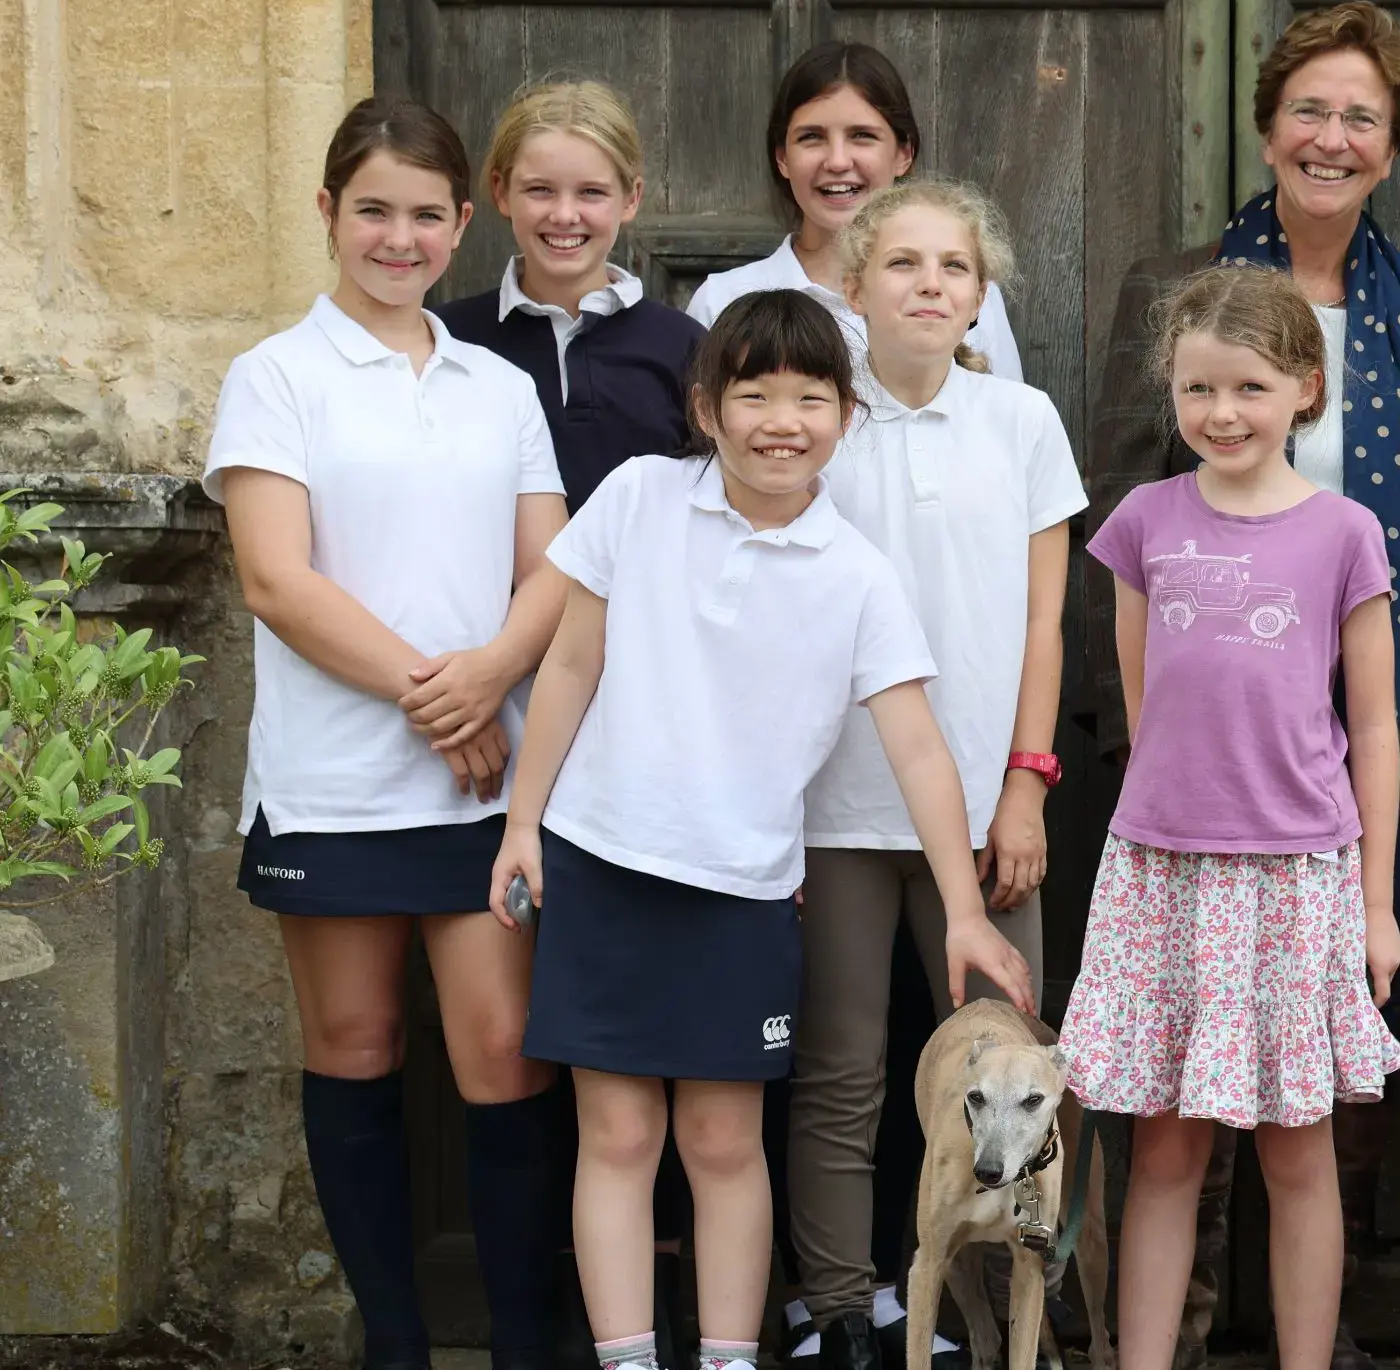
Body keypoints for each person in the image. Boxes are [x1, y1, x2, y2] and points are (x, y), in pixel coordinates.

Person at [494, 289, 1035, 1370]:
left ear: (847, 413)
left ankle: (732, 1356)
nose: (780, 419)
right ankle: (629, 1357)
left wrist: (965, 911)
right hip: (602, 863)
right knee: (619, 1136)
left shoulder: (857, 574)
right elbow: (568, 662)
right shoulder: (640, 498)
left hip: (742, 891)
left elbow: (919, 748)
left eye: (809, 396)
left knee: (722, 1140)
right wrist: (522, 826)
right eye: (753, 394)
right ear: (706, 406)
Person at [1077, 7, 1400, 1365]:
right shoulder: (1176, 288)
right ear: (1268, 129)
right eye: (1310, 110)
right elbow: (1123, 531)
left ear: (1389, 147)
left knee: (1318, 1106)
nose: (1331, 136)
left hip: (1337, 782)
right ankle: (1177, 1335)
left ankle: (1327, 1336)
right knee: (1168, 1122)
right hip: (1187, 796)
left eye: (1360, 116)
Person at [203, 95, 569, 1370]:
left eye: (425, 214)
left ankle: (526, 1341)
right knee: (356, 1047)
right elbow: (276, 581)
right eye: (373, 210)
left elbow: (551, 571)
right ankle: (396, 1344)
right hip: (338, 781)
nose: (398, 237)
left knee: (503, 1053)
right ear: (327, 213)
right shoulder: (275, 376)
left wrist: (489, 685)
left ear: (462, 224)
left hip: (485, 782)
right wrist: (440, 696)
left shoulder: (499, 385)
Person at [1062, 261, 1400, 1370]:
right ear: (1171, 389)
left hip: (1297, 873)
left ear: (1306, 387)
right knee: (1162, 1152)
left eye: (1249, 388)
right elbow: (1142, 698)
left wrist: (1376, 907)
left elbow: (1375, 728)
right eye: (1199, 389)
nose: (1222, 413)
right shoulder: (1142, 520)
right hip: (1160, 871)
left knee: (1296, 1153)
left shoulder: (1344, 532)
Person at [787, 178, 1084, 1370]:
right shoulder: (818, 424)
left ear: (980, 293)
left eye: (951, 268)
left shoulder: (1019, 420)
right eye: (899, 264)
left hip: (983, 806)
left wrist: (1024, 782)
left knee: (1010, 1067)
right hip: (838, 807)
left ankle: (1019, 1311)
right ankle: (842, 1308)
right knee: (843, 1070)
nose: (926, 285)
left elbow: (1046, 623)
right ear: (849, 286)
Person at [682, 40, 1022, 381]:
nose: (838, 161)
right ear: (782, 157)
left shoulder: (960, 292)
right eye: (812, 137)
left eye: (862, 135)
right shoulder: (723, 300)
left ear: (904, 153)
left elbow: (1005, 422)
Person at [437, 79, 703, 512]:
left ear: (631, 198)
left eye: (591, 192)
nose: (564, 215)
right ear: (501, 192)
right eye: (540, 189)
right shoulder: (446, 338)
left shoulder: (686, 347)